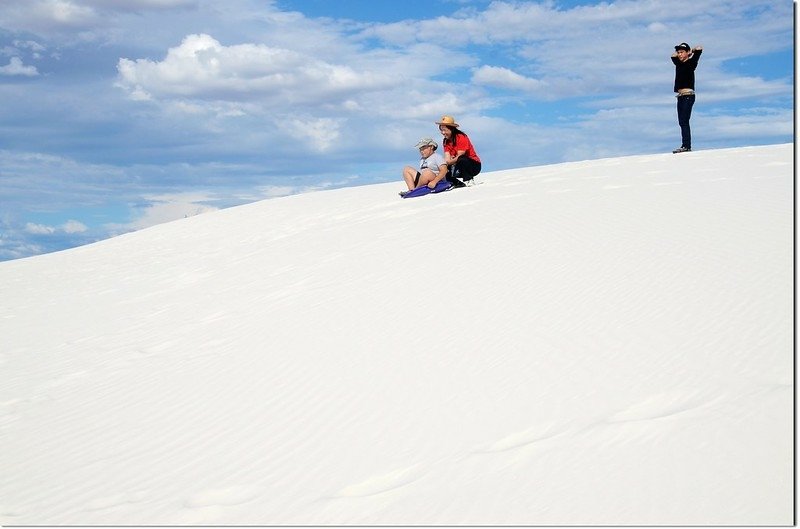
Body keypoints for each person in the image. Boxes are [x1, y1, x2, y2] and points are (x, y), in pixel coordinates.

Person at [671, 42, 703, 153]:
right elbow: (672, 56)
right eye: (678, 52)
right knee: (681, 121)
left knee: (684, 121)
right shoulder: (678, 64)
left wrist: (691, 52)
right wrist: (682, 53)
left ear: (687, 52)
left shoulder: (692, 62)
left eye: (681, 52)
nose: (679, 54)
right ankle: (685, 145)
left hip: (688, 96)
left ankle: (686, 146)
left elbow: (699, 48)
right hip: (680, 96)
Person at [435, 115, 481, 187]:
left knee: (461, 159)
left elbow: (460, 155)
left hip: (473, 166)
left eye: (445, 130)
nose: (443, 132)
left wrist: (449, 161)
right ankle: (456, 183)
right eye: (441, 130)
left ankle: (469, 179)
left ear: (452, 129)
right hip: (457, 164)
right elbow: (447, 157)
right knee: (443, 168)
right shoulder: (445, 141)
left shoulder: (460, 137)